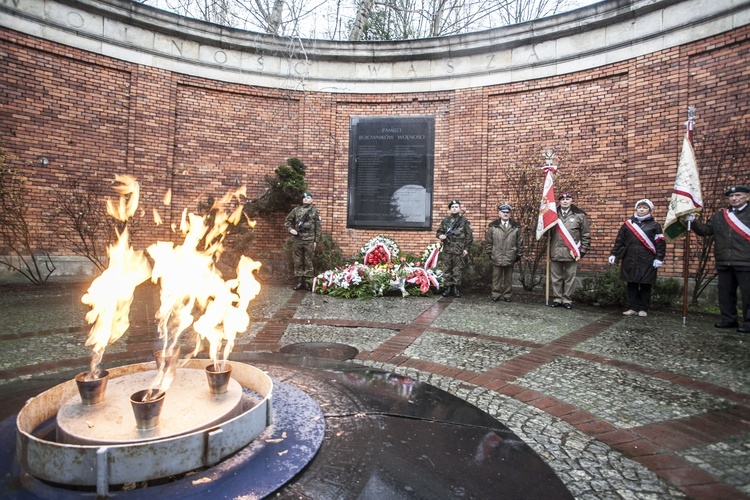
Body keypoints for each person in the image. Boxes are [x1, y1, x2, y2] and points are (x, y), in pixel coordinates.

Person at [683, 185, 750, 333]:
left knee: (748, 293)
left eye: (738, 195)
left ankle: (748, 322)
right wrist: (692, 221)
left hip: (746, 261)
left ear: (747, 197)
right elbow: (705, 231)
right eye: (731, 196)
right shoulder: (720, 215)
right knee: (725, 293)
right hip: (724, 261)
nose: (734, 198)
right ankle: (729, 319)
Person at [608, 199, 666, 317]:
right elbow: (620, 240)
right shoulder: (628, 224)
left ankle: (643, 308)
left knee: (645, 284)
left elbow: (660, 243)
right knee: (632, 284)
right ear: (636, 208)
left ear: (649, 210)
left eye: (645, 208)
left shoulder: (655, 225)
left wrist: (659, 258)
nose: (642, 210)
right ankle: (633, 307)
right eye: (640, 207)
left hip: (647, 259)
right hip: (630, 258)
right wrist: (614, 253)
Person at [549, 192, 590, 309]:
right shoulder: (552, 215)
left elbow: (585, 234)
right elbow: (547, 234)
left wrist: (582, 251)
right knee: (556, 278)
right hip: (556, 251)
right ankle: (557, 298)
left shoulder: (579, 215)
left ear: (571, 200)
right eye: (563, 199)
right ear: (559, 201)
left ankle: (567, 300)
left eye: (568, 199)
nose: (565, 201)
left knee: (569, 277)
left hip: (572, 252)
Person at [284, 191, 322, 291]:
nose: (306, 199)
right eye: (304, 198)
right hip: (298, 240)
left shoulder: (314, 211)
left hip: (309, 240)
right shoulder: (296, 210)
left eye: (308, 198)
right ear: (302, 200)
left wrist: (315, 241)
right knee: (298, 261)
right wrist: (291, 230)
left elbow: (318, 227)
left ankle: (308, 283)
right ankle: (299, 282)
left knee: (308, 261)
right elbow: (287, 221)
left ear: (312, 200)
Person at [486, 204, 523, 302]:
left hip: (510, 255)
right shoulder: (493, 226)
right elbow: (489, 241)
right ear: (499, 213)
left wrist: (518, 254)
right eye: (503, 212)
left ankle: (507, 295)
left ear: (510, 214)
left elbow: (519, 242)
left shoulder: (516, 227)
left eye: (507, 212)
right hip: (496, 254)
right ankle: (496, 294)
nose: (505, 214)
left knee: (508, 277)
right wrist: (490, 253)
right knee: (496, 276)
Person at [437, 200, 473, 297]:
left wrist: (466, 249)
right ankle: (448, 288)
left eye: (456, 207)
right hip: (447, 249)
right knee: (447, 269)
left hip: (459, 249)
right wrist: (441, 236)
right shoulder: (445, 221)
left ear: (459, 208)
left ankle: (456, 288)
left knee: (457, 269)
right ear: (450, 209)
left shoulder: (464, 221)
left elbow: (469, 236)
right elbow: (439, 232)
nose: (454, 208)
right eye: (452, 207)